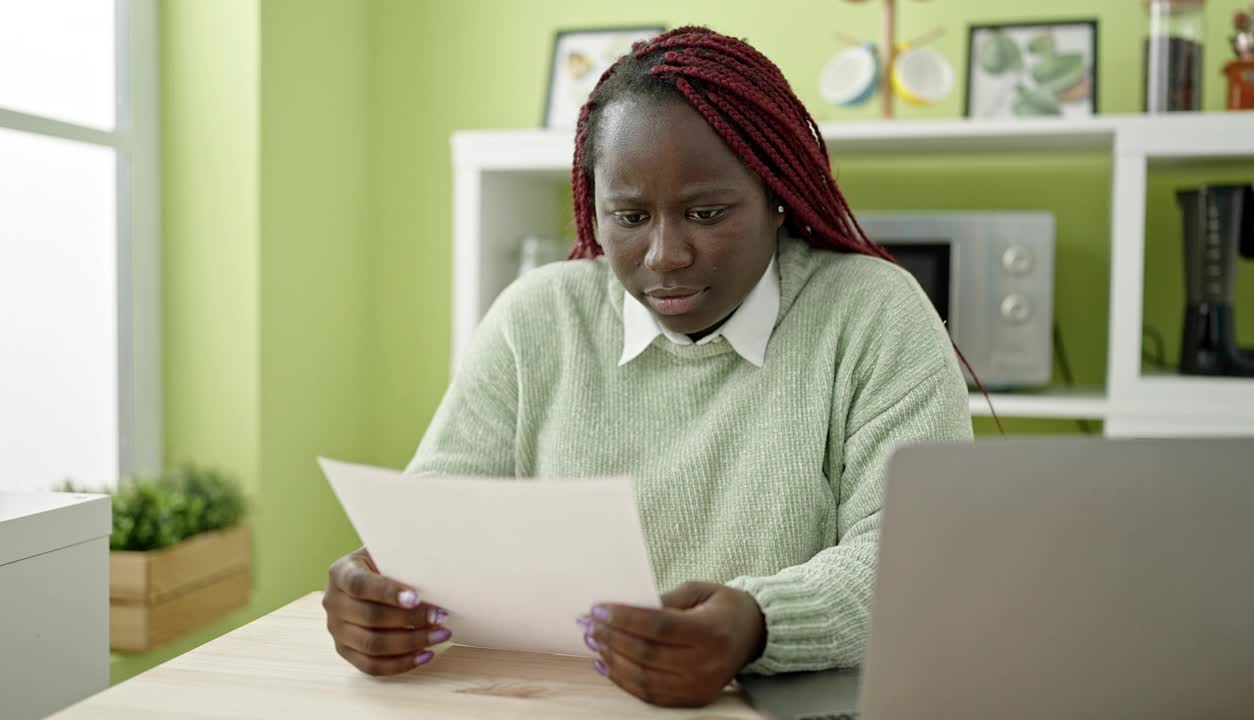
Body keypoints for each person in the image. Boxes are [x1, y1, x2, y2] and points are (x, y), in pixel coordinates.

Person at [322, 25, 972, 708]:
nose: (665, 254)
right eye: (629, 216)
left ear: (777, 197)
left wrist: (757, 625)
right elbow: (433, 526)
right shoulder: (537, 319)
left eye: (706, 212)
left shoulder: (871, 312)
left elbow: (917, 556)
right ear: (594, 209)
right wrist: (378, 590)